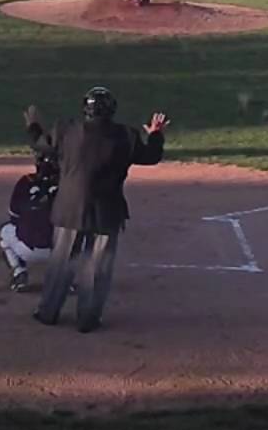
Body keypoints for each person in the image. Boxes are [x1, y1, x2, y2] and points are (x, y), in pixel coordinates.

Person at [25, 87, 169, 333]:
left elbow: (40, 145)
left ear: (86, 109)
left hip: (69, 208)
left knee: (61, 262)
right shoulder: (126, 136)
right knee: (97, 266)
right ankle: (88, 319)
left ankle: (48, 312)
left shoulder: (65, 130)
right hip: (107, 210)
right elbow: (152, 156)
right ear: (111, 110)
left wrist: (34, 125)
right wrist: (156, 134)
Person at [0, 152, 60, 292]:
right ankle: (65, 278)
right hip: (59, 251)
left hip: (27, 249)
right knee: (77, 233)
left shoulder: (25, 182)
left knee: (4, 231)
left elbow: (14, 217)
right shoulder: (67, 184)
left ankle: (19, 272)